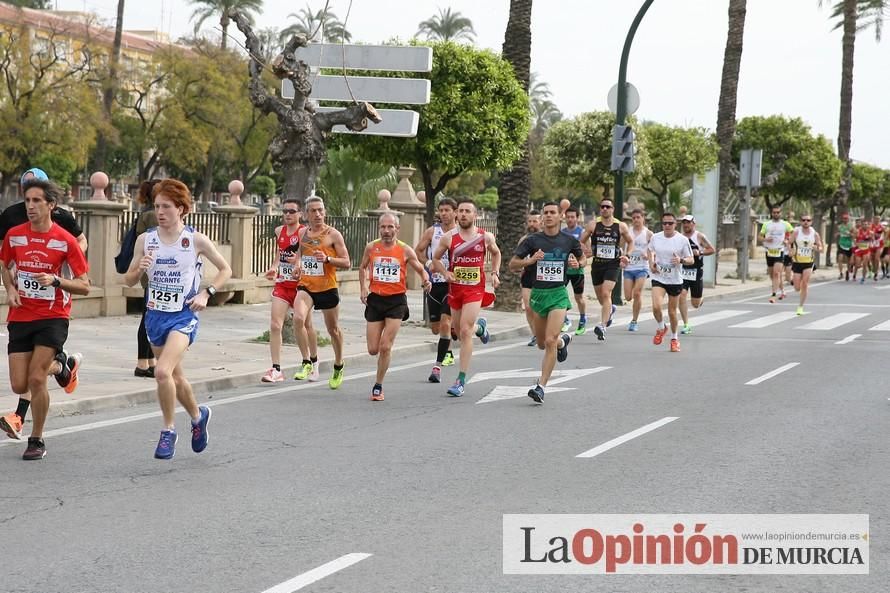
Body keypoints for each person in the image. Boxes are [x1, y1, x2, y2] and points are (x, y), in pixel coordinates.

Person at [123, 179, 232, 460]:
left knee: (161, 372)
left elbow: (225, 269)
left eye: (166, 206)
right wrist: (140, 268)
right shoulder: (145, 239)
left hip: (184, 316)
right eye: (157, 206)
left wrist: (207, 293)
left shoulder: (194, 240)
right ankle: (198, 417)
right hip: (155, 315)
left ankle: (168, 431)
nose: (160, 211)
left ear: (181, 209)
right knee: (175, 377)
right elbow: (128, 279)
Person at [0, 179, 90, 459]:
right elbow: (4, 265)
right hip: (21, 314)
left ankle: (36, 439)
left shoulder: (65, 240)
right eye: (27, 200)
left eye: (37, 201)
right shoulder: (14, 235)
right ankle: (63, 366)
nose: (30, 206)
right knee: (19, 384)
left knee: (37, 378)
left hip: (53, 316)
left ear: (51, 205)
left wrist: (56, 281)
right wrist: (11, 289)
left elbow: (85, 285)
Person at [509, 201, 584, 403]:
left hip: (559, 294)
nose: (549, 216)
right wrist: (530, 261)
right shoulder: (532, 240)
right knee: (542, 343)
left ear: (560, 216)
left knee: (549, 340)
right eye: (546, 213)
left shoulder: (568, 241)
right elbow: (512, 264)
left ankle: (541, 386)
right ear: (542, 217)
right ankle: (563, 342)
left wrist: (577, 263)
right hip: (538, 295)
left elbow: (583, 258)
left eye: (553, 212)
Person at [431, 197, 501, 397]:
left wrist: (495, 273)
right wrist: (445, 274)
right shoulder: (449, 237)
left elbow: (497, 254)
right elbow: (435, 259)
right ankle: (481, 328)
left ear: (475, 215)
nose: (463, 214)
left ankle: (460, 380)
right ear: (456, 214)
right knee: (458, 329)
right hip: (456, 288)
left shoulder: (484, 237)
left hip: (475, 289)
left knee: (464, 330)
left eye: (467, 211)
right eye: (460, 211)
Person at [359, 213, 431, 401]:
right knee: (373, 349)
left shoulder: (405, 250)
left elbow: (420, 268)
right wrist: (363, 287)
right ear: (379, 228)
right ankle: (379, 378)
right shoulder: (371, 247)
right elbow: (363, 267)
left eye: (390, 227)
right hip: (375, 300)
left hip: (396, 302)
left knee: (385, 346)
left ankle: (378, 385)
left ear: (397, 229)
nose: (386, 231)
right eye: (383, 227)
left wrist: (426, 279)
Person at [292, 197, 351, 389]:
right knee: (298, 319)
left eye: (321, 210)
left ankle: (339, 364)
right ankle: (307, 362)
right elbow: (301, 256)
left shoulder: (333, 234)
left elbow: (346, 262)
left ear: (324, 212)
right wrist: (298, 266)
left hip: (327, 287)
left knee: (333, 330)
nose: (318, 214)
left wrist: (327, 259)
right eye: (313, 211)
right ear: (307, 214)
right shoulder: (303, 233)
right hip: (306, 285)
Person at [262, 197, 319, 383]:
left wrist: (299, 262)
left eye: (291, 211)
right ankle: (276, 369)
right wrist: (274, 267)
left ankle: (311, 361)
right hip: (282, 284)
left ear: (300, 214)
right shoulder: (280, 231)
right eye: (284, 211)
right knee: (275, 325)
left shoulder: (305, 232)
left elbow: (308, 255)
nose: (287, 214)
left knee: (305, 324)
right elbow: (280, 254)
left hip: (301, 287)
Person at [415, 197, 457, 383]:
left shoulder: (460, 233)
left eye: (448, 210)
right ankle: (453, 332)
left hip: (453, 283)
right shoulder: (433, 231)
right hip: (434, 283)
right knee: (435, 328)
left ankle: (439, 364)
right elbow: (418, 251)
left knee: (445, 322)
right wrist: (429, 262)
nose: (444, 213)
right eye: (441, 210)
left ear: (455, 212)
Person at [580, 197, 633, 341]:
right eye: (602, 206)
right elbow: (581, 241)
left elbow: (630, 241)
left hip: (613, 264)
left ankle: (602, 326)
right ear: (600, 209)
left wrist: (627, 255)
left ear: (612, 209)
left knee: (606, 292)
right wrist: (587, 250)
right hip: (597, 264)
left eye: (608, 207)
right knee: (601, 299)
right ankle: (610, 310)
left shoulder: (620, 226)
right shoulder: (593, 225)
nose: (605, 209)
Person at [647, 212, 693, 353]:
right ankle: (662, 328)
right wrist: (651, 263)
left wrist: (681, 260)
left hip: (675, 280)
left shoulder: (682, 240)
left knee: (672, 312)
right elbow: (649, 250)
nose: (667, 226)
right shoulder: (656, 237)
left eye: (670, 223)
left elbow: (691, 259)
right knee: (656, 307)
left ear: (675, 224)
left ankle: (674, 339)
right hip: (659, 277)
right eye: (664, 223)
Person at [133, 180, 160, 378]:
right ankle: (142, 363)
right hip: (154, 273)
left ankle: (150, 361)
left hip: (152, 274)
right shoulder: (152, 215)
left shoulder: (147, 212)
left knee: (150, 317)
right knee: (148, 319)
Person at [678, 214, 716, 335]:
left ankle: (700, 300)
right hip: (682, 270)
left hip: (696, 271)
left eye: (688, 223)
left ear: (693, 224)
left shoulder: (699, 236)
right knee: (682, 296)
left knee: (695, 304)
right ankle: (686, 324)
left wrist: (699, 252)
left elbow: (712, 249)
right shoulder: (679, 237)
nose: (685, 225)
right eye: (684, 223)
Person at [788, 214, 823, 315]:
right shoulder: (796, 232)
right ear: (800, 221)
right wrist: (791, 250)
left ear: (811, 222)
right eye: (803, 220)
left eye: (808, 220)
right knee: (797, 288)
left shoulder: (814, 234)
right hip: (797, 262)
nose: (806, 222)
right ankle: (793, 280)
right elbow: (789, 242)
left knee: (805, 284)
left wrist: (818, 248)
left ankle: (800, 307)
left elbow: (821, 248)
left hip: (808, 262)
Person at [623, 208, 651, 332]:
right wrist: (623, 256)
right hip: (629, 267)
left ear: (643, 218)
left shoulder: (648, 233)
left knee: (637, 293)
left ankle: (634, 321)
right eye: (633, 218)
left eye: (638, 217)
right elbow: (621, 246)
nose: (636, 220)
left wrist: (648, 254)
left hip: (642, 267)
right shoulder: (627, 232)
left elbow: (654, 248)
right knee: (628, 297)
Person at [561, 206, 588, 335]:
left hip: (578, 272)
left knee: (579, 298)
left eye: (573, 217)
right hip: (564, 271)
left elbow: (588, 252)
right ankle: (565, 320)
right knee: (560, 294)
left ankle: (582, 319)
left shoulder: (582, 233)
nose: (570, 219)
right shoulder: (561, 233)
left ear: (577, 218)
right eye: (568, 217)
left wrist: (579, 262)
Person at [758, 206, 793, 303]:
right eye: (774, 212)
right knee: (772, 275)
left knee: (777, 273)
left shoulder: (785, 224)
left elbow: (794, 234)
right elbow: (759, 237)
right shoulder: (766, 224)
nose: (776, 214)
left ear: (781, 213)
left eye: (778, 212)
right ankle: (782, 290)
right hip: (769, 251)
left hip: (779, 251)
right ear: (771, 213)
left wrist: (788, 241)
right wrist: (765, 239)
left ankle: (773, 295)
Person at [519, 210, 541, 346]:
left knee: (538, 308)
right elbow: (517, 258)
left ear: (541, 222)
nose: (532, 224)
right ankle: (535, 335)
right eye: (530, 221)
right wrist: (523, 265)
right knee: (528, 307)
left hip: (542, 276)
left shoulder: (545, 238)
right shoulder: (524, 239)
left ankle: (541, 332)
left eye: (535, 221)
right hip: (527, 275)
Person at [835, 212, 854, 281]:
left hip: (849, 245)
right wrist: (837, 234)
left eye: (846, 218)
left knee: (848, 261)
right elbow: (837, 233)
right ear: (842, 219)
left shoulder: (851, 226)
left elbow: (853, 235)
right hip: (841, 244)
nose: (845, 219)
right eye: (844, 218)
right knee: (840, 258)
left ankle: (847, 272)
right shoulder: (840, 226)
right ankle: (841, 273)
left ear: (848, 219)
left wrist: (849, 234)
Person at [853, 218, 871, 283]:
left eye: (866, 224)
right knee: (857, 265)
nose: (865, 226)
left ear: (868, 225)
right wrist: (857, 243)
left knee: (864, 264)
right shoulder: (857, 231)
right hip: (859, 249)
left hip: (866, 250)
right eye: (863, 224)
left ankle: (863, 278)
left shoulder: (870, 232)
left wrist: (869, 243)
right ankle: (854, 275)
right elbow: (854, 239)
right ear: (861, 225)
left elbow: (873, 240)